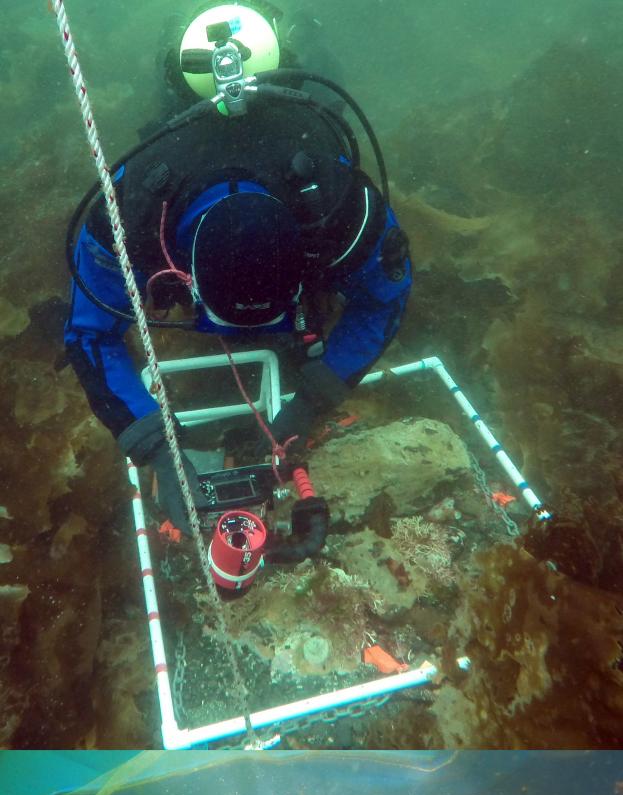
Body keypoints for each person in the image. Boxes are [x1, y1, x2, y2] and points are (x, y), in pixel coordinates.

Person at [64, 2, 412, 534]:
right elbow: (89, 332)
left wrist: (319, 393)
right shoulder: (134, 216)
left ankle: (289, 32)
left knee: (315, 80)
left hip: (286, 133)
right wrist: (156, 444)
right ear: (180, 273)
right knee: (177, 84)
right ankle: (182, 36)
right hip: (189, 142)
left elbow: (385, 294)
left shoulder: (336, 203)